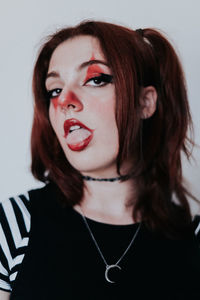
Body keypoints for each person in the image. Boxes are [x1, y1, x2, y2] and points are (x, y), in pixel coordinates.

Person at [0, 20, 200, 299]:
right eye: (54, 89)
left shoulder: (193, 240)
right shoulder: (12, 225)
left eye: (96, 79)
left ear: (145, 102)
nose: (65, 101)